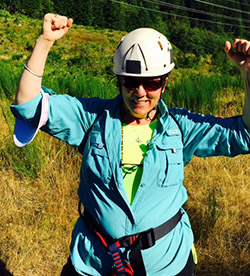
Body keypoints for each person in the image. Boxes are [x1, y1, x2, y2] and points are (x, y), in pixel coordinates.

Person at [11, 13, 250, 276]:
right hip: (94, 263)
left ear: (165, 83)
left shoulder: (181, 127)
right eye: (130, 81)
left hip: (167, 264)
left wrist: (248, 74)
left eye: (152, 82)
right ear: (119, 80)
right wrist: (45, 42)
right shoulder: (92, 118)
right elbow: (28, 105)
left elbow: (243, 135)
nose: (140, 92)